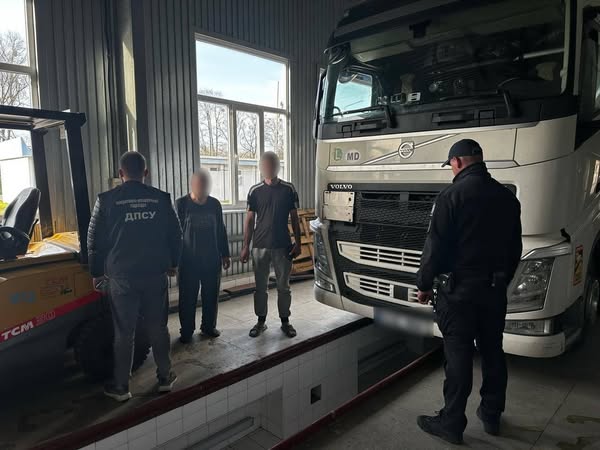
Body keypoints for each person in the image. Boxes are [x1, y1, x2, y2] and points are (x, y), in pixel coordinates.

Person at [416, 139, 522, 445]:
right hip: (493, 291)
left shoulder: (450, 196)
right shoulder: (507, 197)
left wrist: (424, 284)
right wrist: (501, 280)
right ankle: (491, 415)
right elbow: (515, 249)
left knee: (458, 356)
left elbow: (435, 247)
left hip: (458, 293)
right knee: (493, 352)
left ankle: (451, 423)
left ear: (458, 162)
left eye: (451, 165)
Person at [88, 151, 182, 402]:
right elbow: (176, 235)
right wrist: (173, 263)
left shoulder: (105, 200)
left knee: (124, 332)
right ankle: (165, 377)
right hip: (154, 274)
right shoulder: (161, 199)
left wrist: (96, 273)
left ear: (120, 173)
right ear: (145, 173)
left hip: (121, 278)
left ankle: (121, 387)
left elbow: (94, 241)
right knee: (158, 327)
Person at [240, 151, 302, 338]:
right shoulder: (254, 191)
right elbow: (249, 220)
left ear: (277, 167)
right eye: (265, 165)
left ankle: (285, 321)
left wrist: (298, 242)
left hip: (283, 245)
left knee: (284, 286)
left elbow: (295, 218)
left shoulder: (288, 189)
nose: (268, 168)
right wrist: (245, 246)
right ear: (261, 168)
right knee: (260, 287)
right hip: (260, 245)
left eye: (272, 164)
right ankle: (261, 321)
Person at [176, 169, 231, 343]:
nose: (203, 187)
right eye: (200, 183)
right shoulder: (181, 204)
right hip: (188, 262)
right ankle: (186, 330)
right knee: (187, 298)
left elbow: (221, 229)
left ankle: (208, 326)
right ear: (192, 184)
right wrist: (173, 261)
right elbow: (174, 233)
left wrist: (225, 254)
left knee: (211, 296)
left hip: (211, 260)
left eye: (206, 184)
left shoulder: (215, 204)